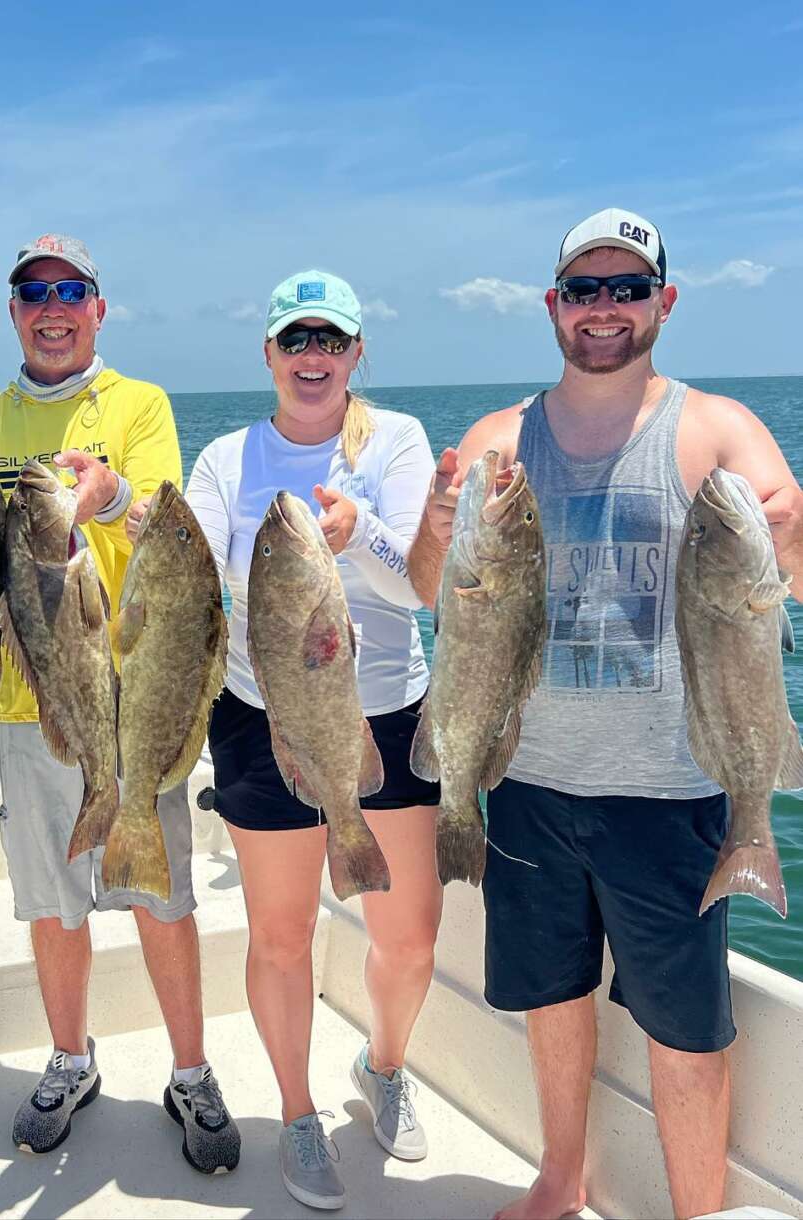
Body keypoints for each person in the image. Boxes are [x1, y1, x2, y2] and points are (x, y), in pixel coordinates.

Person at [407, 208, 803, 1220]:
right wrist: (434, 525)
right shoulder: (497, 439)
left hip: (670, 792)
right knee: (550, 997)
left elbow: (786, 582)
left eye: (626, 288)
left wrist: (792, 534)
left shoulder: (715, 428)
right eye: (583, 289)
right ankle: (558, 1177)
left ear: (662, 301)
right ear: (552, 305)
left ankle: (693, 1211)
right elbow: (425, 592)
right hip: (528, 779)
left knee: (683, 1027)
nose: (603, 309)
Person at [0, 235, 241, 1173]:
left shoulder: (141, 405)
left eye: (69, 291)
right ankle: (69, 1058)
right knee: (53, 903)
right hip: (25, 700)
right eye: (32, 293)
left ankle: (190, 1070)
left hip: (128, 697)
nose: (51, 307)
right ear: (12, 312)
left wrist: (111, 495)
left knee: (160, 896)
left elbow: (159, 522)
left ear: (99, 308)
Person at [138, 270, 440, 1210]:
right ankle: (300, 1113)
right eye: (295, 340)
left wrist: (364, 540)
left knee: (412, 939)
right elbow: (182, 560)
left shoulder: (396, 442)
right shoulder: (228, 459)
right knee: (281, 934)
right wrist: (114, 511)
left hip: (386, 710)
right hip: (258, 716)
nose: (313, 357)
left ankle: (383, 1065)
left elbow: (423, 587)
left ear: (357, 354)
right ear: (268, 354)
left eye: (331, 340)